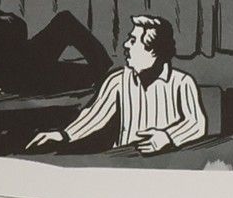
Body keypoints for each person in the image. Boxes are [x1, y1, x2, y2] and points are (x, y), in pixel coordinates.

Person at [26, 15, 206, 157]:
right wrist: (64, 135)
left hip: (166, 160)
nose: (126, 45)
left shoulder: (182, 82)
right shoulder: (118, 80)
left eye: (133, 40)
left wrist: (167, 137)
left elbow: (196, 124)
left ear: (153, 50)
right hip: (124, 158)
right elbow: (95, 115)